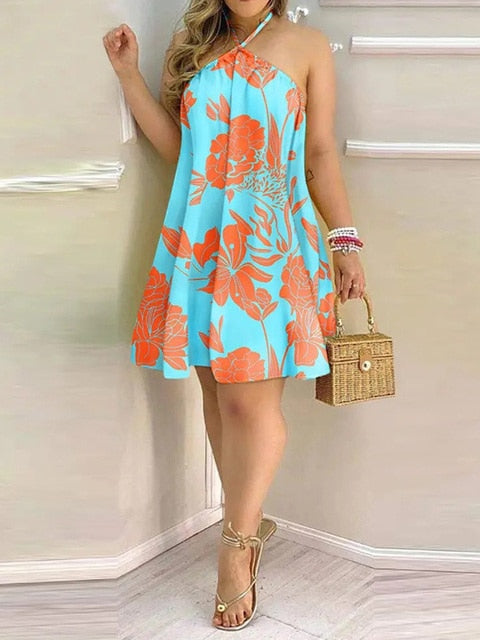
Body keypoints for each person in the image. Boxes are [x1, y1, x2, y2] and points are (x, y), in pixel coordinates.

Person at [103, 0, 366, 630]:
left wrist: (345, 240)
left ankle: (236, 546)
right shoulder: (194, 46)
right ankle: (247, 524)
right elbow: (181, 149)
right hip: (200, 240)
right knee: (218, 397)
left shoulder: (307, 45)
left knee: (250, 404)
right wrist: (129, 76)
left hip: (273, 243)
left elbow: (319, 152)